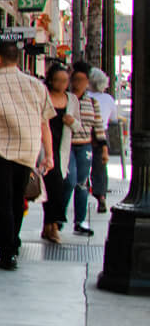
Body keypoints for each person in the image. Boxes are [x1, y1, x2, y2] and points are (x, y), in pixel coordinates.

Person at [0, 43, 55, 270]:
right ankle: (13, 240)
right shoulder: (36, 85)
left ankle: (7, 250)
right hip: (28, 152)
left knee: (0, 202)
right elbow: (44, 123)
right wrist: (48, 154)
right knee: (17, 199)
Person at [38, 63, 80, 246]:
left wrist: (72, 122)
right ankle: (53, 225)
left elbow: (78, 126)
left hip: (63, 149)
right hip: (45, 147)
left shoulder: (72, 100)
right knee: (51, 185)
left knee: (61, 185)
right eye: (58, 80)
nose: (62, 84)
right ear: (51, 80)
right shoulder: (43, 96)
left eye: (65, 81)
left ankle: (50, 224)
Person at [67, 67, 100, 236]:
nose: (78, 83)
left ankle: (79, 221)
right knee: (69, 181)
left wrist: (103, 148)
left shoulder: (92, 102)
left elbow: (98, 125)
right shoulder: (66, 99)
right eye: (76, 79)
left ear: (87, 82)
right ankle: (57, 219)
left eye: (82, 80)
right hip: (68, 146)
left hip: (85, 146)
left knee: (82, 183)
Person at [87, 67, 117, 214]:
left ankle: (84, 188)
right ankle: (101, 196)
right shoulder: (108, 99)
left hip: (85, 134)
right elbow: (114, 119)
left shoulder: (84, 97)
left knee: (82, 165)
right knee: (100, 168)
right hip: (102, 135)